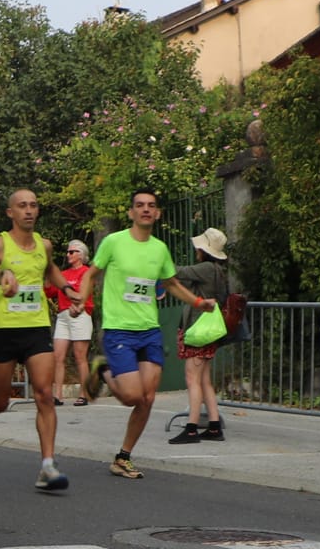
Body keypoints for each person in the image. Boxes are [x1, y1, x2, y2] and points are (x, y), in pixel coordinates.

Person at [78, 188, 216, 479]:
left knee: (148, 398)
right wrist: (81, 300)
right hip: (119, 330)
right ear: (131, 212)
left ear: (157, 213)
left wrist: (198, 303)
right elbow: (91, 273)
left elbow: (172, 284)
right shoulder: (113, 242)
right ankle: (103, 369)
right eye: (139, 205)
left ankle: (123, 456)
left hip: (150, 330)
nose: (145, 210)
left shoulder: (159, 249)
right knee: (131, 396)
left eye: (151, 206)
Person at [0, 188, 72, 492]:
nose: (29, 210)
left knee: (44, 394)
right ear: (11, 213)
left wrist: (68, 290)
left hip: (36, 327)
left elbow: (51, 270)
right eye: (22, 206)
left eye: (33, 205)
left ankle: (48, 465)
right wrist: (1, 276)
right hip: (5, 330)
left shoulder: (44, 245)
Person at [168, 227, 233, 444]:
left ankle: (192, 427)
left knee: (192, 379)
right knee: (204, 380)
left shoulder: (205, 268)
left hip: (198, 329)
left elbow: (177, 272)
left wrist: (157, 259)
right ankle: (214, 427)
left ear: (205, 250)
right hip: (209, 330)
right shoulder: (218, 270)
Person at [49, 238, 93, 405]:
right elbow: (50, 290)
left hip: (80, 314)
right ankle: (57, 394)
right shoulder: (63, 274)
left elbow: (84, 292)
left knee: (80, 356)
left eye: (72, 252)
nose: (68, 254)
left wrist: (78, 305)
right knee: (58, 356)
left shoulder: (86, 272)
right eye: (68, 251)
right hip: (63, 316)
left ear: (81, 255)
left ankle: (84, 393)